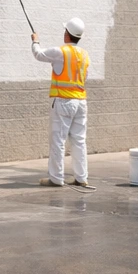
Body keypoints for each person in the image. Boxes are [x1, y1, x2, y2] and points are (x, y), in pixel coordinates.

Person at [32, 17, 92, 189]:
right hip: (80, 102)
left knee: (58, 140)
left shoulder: (60, 52)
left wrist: (35, 41)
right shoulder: (84, 54)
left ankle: (56, 178)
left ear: (67, 34)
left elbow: (39, 54)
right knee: (79, 141)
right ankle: (81, 178)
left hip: (63, 102)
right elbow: (84, 77)